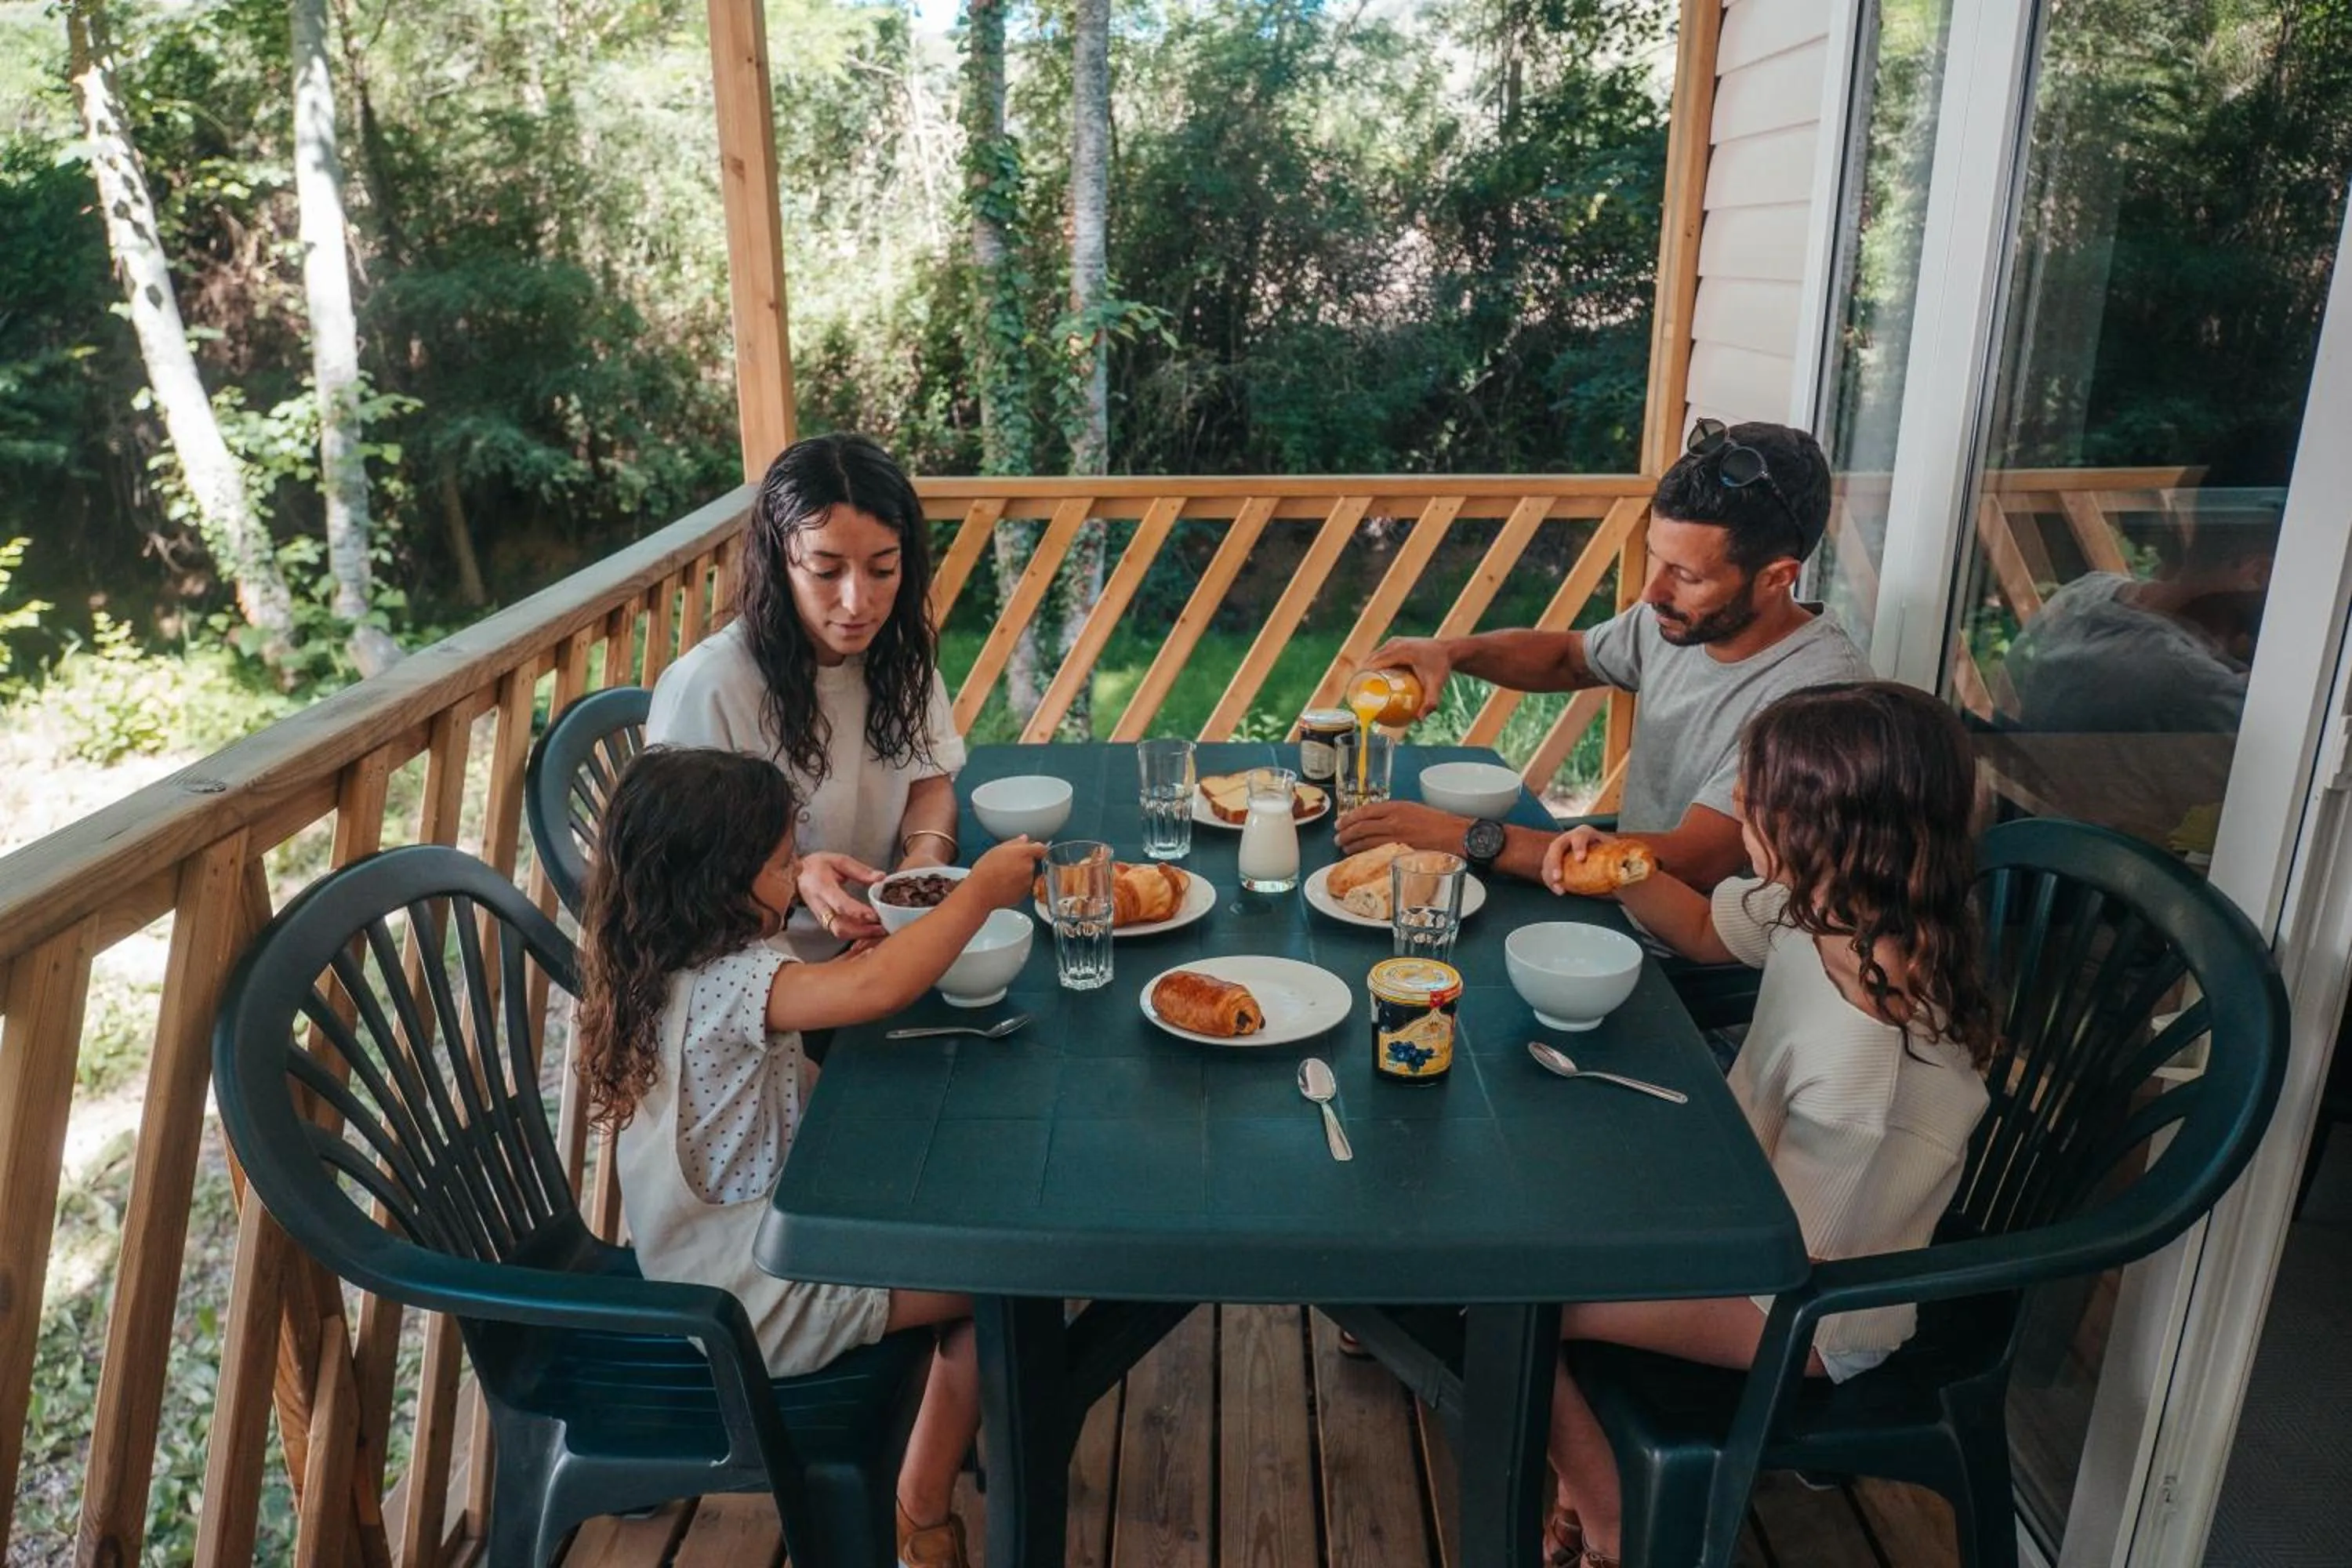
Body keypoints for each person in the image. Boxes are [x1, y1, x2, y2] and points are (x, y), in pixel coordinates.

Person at [1531, 682, 1995, 1567]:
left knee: (1518, 1294)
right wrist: (1632, 866)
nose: (1737, 800)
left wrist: (1630, 1218)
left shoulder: (1866, 1051)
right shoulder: (1828, 910)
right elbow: (1710, 929)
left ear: (1831, 827)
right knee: (1535, 1202)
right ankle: (1578, 1484)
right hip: (1743, 1207)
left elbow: (1787, 1261)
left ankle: (1608, 1510)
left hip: (1810, 1311)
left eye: (1759, 789)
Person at [577, 746, 1049, 1568]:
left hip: (711, 1261)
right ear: (715, 880)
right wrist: (977, 893)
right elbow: (872, 996)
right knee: (1003, 1275)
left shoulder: (656, 966)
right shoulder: (733, 982)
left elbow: (790, 1060)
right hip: (760, 1294)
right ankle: (921, 1507)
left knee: (977, 1220)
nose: (795, 873)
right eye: (780, 862)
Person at [1334, 420, 1871, 891]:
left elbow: (1698, 861)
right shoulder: (1678, 617)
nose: (1651, 593)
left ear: (1777, 577)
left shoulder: (1820, 698)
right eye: (1656, 559)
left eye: (1685, 574)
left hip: (1699, 960)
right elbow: (1570, 657)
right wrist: (1451, 652)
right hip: (1614, 901)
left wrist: (1464, 837)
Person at [649, 432, 964, 960]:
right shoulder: (709, 687)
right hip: (762, 978)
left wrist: (924, 859)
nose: (857, 601)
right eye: (826, 571)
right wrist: (796, 877)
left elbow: (928, 780)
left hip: (887, 952)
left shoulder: (900, 657)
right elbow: (681, 880)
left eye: (883, 569)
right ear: (778, 563)